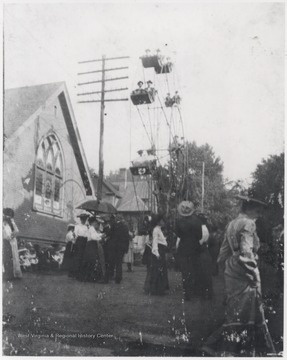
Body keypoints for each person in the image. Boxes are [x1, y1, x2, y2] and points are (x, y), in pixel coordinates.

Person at [202, 195, 276, 356]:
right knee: (246, 310)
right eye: (258, 209)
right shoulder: (248, 223)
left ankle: (220, 346)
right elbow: (246, 252)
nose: (260, 213)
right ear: (249, 208)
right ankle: (239, 351)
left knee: (235, 310)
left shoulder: (232, 223)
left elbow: (222, 253)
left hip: (231, 269)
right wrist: (253, 275)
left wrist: (225, 270)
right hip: (244, 271)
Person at [175, 201, 202, 301]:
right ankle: (194, 290)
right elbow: (200, 236)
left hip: (183, 248)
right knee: (194, 269)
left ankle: (187, 293)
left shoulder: (179, 221)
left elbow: (178, 235)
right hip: (195, 247)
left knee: (185, 271)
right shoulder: (197, 221)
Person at [148, 214, 169, 296]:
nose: (163, 222)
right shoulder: (156, 230)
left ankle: (160, 289)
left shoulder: (159, 229)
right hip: (158, 251)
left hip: (161, 250)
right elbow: (155, 242)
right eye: (162, 221)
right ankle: (155, 289)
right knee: (157, 270)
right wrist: (157, 253)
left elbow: (161, 240)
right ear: (158, 222)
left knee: (161, 270)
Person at [105, 215, 129, 284]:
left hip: (113, 247)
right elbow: (127, 238)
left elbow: (109, 234)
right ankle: (118, 278)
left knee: (111, 262)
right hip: (121, 248)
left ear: (116, 219)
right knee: (119, 263)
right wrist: (126, 248)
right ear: (121, 219)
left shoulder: (113, 225)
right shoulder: (125, 227)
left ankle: (108, 277)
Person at [80, 216, 104, 282]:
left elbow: (96, 235)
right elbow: (93, 237)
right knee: (92, 260)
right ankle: (90, 276)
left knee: (90, 260)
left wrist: (100, 235)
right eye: (95, 222)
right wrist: (101, 237)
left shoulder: (91, 228)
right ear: (92, 222)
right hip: (91, 245)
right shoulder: (91, 228)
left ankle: (88, 276)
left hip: (91, 244)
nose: (96, 223)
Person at [3, 208, 22, 280]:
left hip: (12, 242)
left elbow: (16, 231)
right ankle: (7, 274)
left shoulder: (11, 223)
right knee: (7, 258)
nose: (8, 217)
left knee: (14, 257)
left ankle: (15, 273)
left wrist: (12, 235)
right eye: (7, 216)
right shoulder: (3, 224)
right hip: (6, 242)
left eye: (10, 216)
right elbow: (5, 234)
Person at [197, 213, 213, 299]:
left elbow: (199, 241)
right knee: (205, 273)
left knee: (204, 273)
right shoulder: (204, 228)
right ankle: (206, 292)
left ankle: (205, 293)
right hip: (204, 250)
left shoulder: (202, 229)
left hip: (203, 251)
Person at [73, 213, 89, 279]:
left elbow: (87, 235)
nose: (83, 220)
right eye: (82, 219)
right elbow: (75, 234)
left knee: (84, 257)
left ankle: (82, 273)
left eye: (85, 219)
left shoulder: (86, 226)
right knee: (78, 257)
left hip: (85, 241)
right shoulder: (77, 226)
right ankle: (77, 273)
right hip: (79, 241)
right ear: (80, 219)